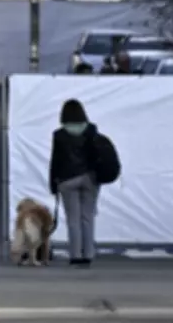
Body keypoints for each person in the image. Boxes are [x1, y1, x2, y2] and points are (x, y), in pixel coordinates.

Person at [49, 99, 100, 267]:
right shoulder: (91, 130)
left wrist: (53, 183)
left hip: (67, 180)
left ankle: (75, 255)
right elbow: (96, 155)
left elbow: (55, 161)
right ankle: (88, 254)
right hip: (90, 179)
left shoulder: (59, 135)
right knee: (88, 217)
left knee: (73, 219)